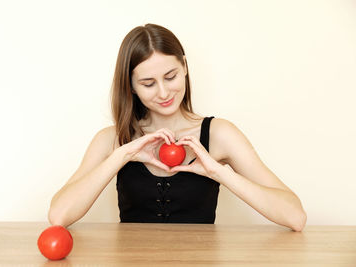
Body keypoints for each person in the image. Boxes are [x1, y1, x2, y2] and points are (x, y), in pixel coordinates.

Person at [48, 23, 307, 231]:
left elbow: (295, 217)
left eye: (170, 76)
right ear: (131, 87)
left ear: (184, 66)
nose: (163, 92)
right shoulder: (113, 139)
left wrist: (218, 172)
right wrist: (122, 155)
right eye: (148, 83)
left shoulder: (220, 134)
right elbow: (59, 216)